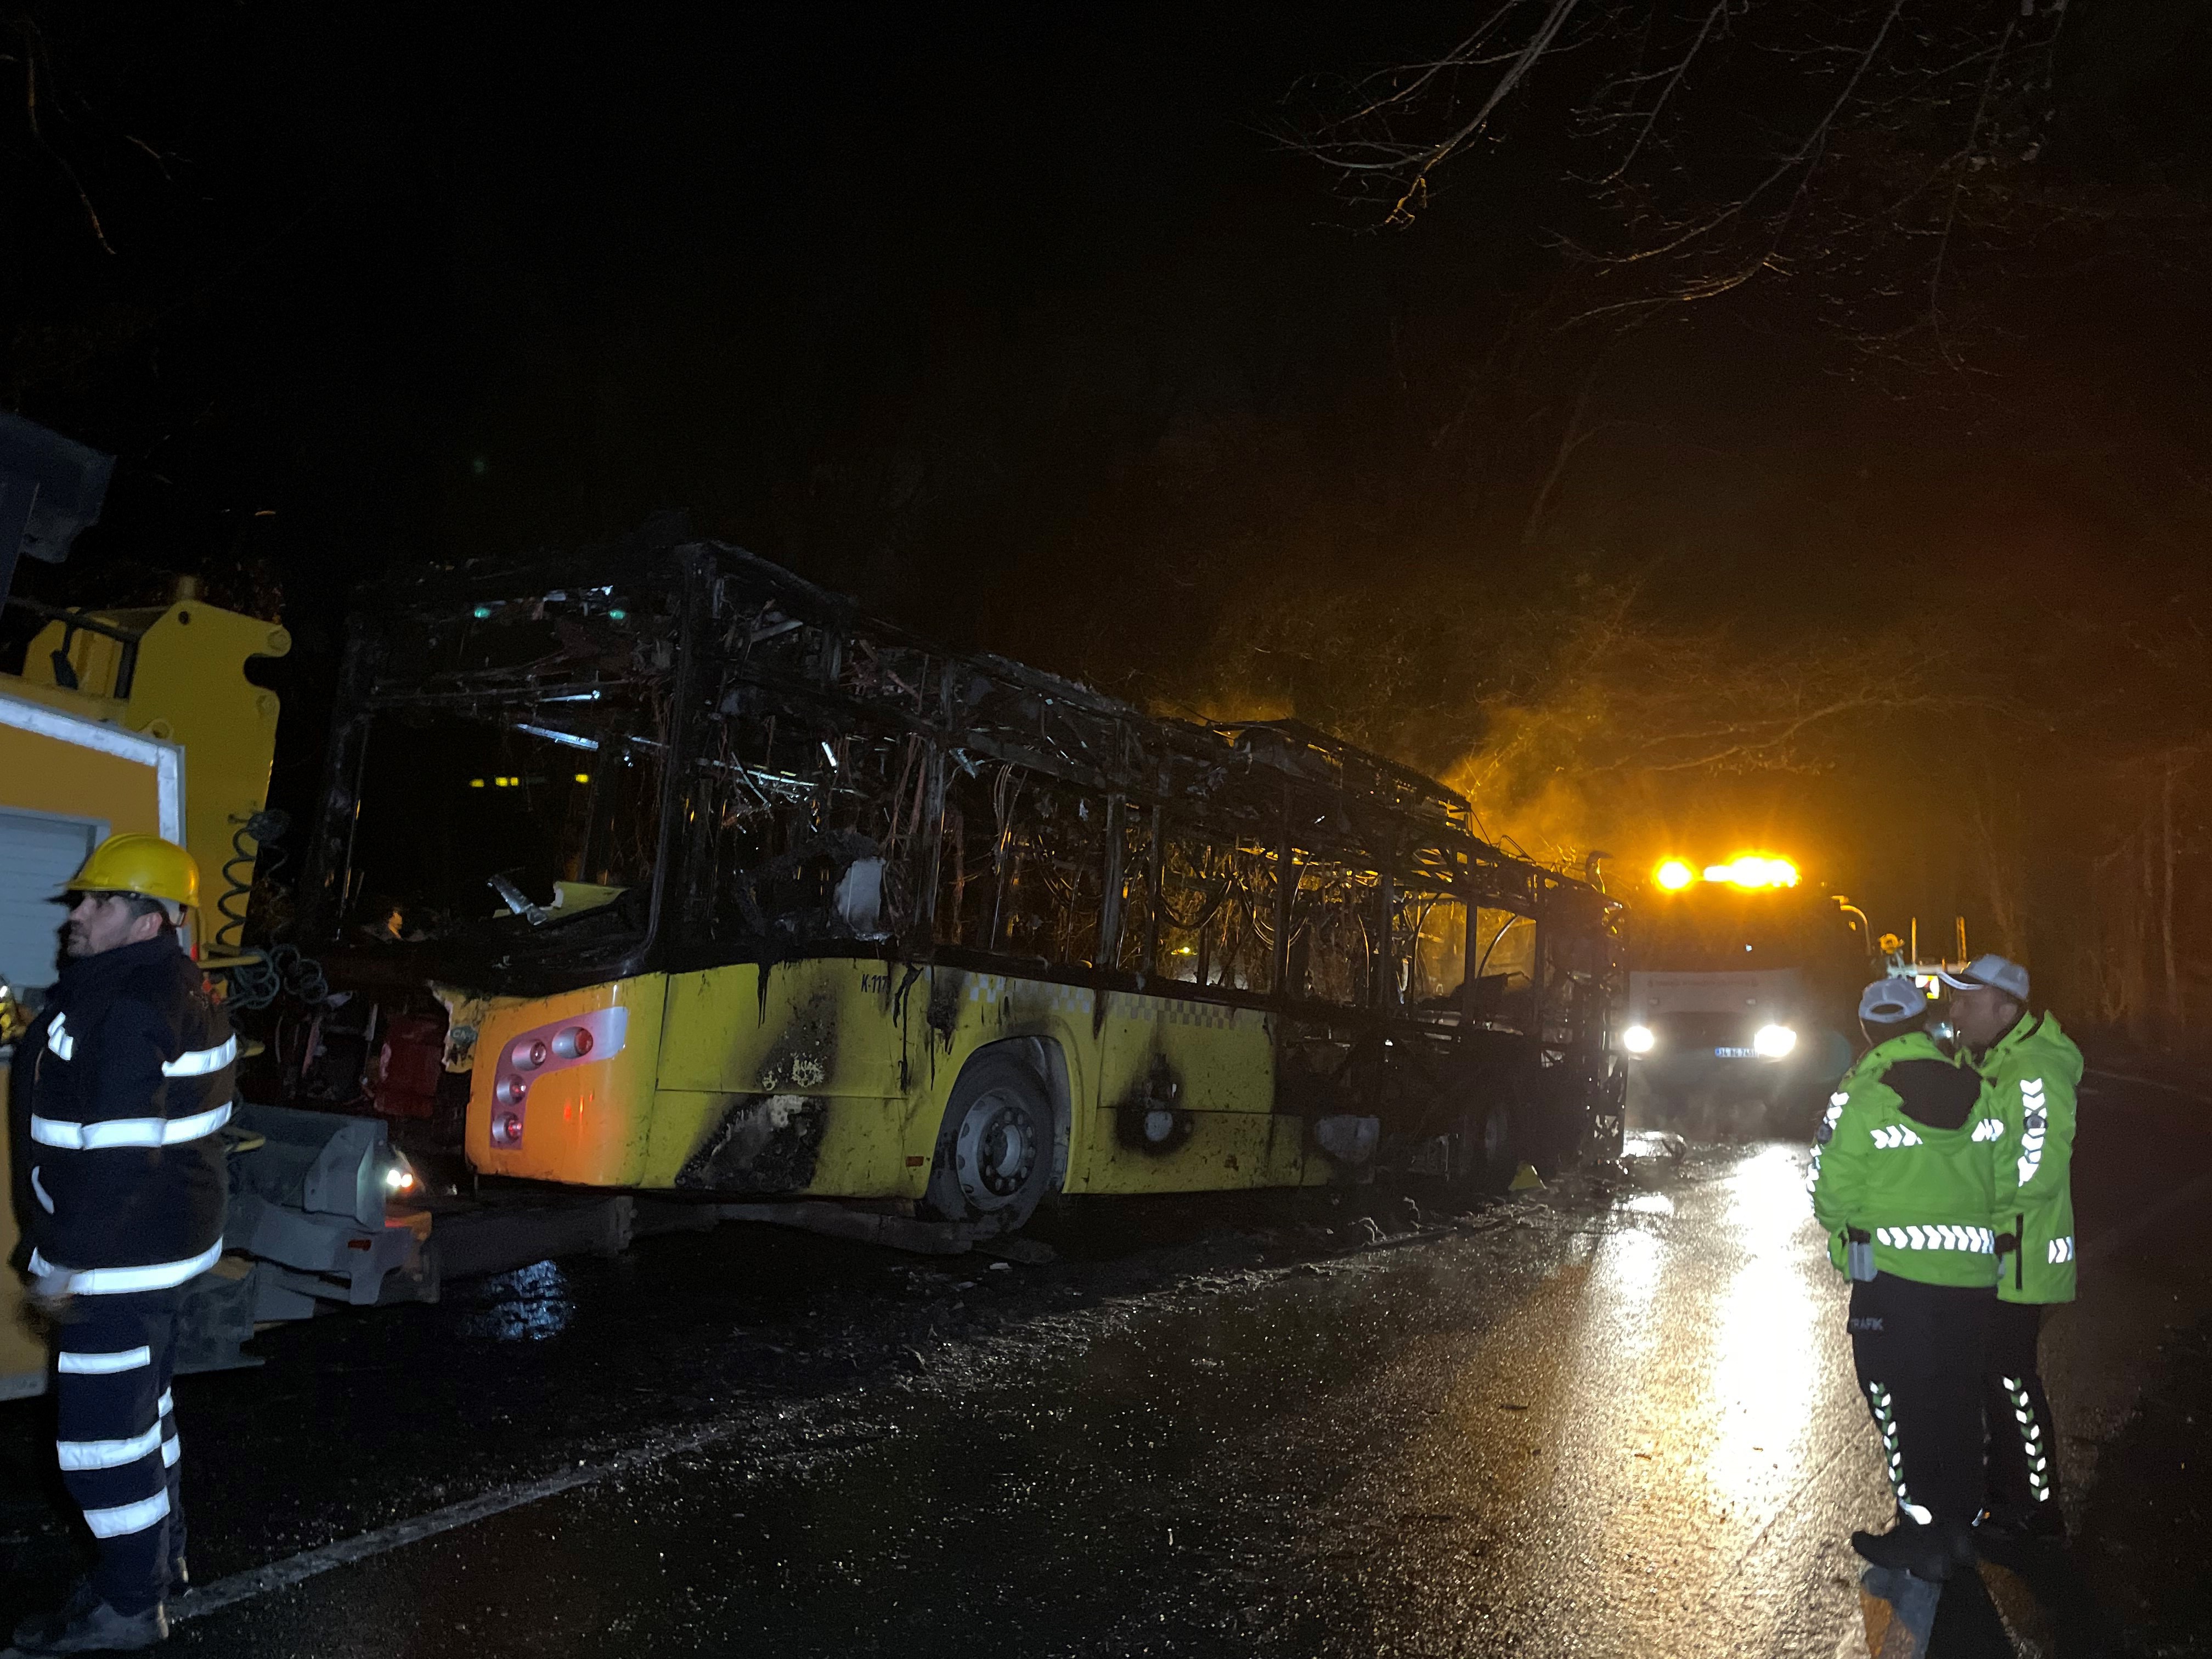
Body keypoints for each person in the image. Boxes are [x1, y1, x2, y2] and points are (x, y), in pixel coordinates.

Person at [12, 834, 230, 1654]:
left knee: (101, 1440)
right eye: (82, 899)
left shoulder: (132, 1005)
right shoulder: (160, 986)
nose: (79, 914)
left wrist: (63, 1258)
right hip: (160, 1243)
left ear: (148, 922)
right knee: (148, 1414)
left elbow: (118, 1157)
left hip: (120, 1254)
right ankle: (154, 1566)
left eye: (99, 902)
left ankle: (129, 1608)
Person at [1809, 977, 2000, 1582]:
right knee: (1958, 1399)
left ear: (1867, 1030)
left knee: (1898, 1398)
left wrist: (1848, 1238)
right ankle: (1961, 1528)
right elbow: (2006, 1176)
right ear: (1924, 1022)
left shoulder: (1862, 1093)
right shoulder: (1979, 1087)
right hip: (1972, 1279)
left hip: (1892, 1280)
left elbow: (1827, 1187)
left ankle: (1919, 1530)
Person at [1942, 952, 2082, 1540]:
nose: (1954, 1011)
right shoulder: (1994, 1061)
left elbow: (2035, 1171)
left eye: (1967, 1002)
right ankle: (2006, 1498)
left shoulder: (2032, 1071)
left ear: (2005, 1009)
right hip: (1997, 1256)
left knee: (2012, 1384)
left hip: (2018, 1257)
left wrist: (1976, 1219)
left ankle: (2038, 1511)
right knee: (1996, 1382)